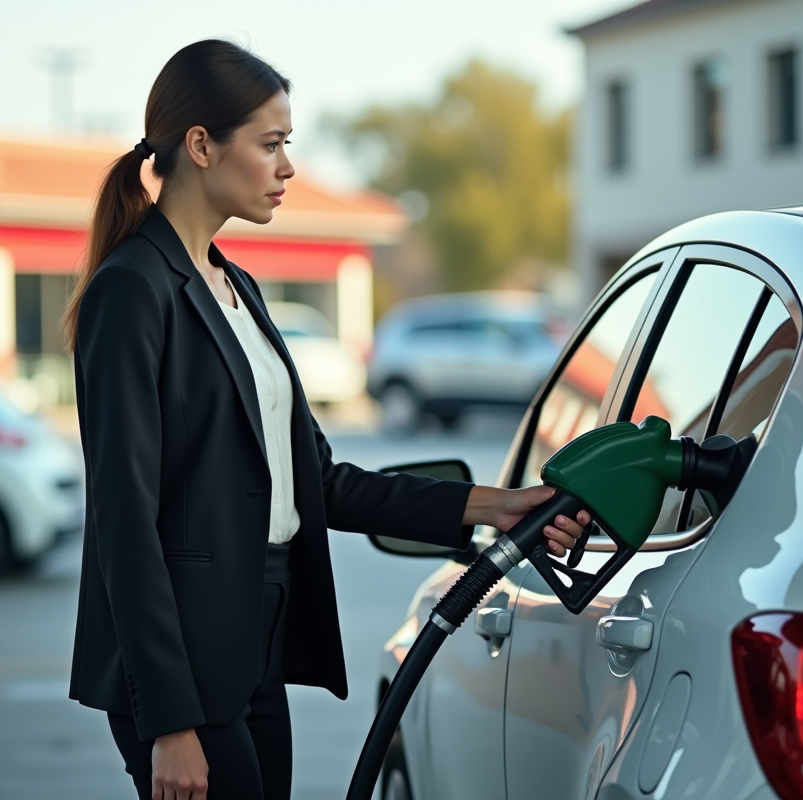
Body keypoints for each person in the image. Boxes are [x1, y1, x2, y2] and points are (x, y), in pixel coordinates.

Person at [62, 39, 591, 800]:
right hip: (182, 664)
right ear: (202, 146)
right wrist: (167, 721)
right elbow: (123, 521)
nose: (288, 167)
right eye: (270, 145)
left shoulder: (233, 283)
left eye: (288, 145)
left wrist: (493, 508)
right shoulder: (132, 292)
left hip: (257, 639)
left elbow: (317, 480)